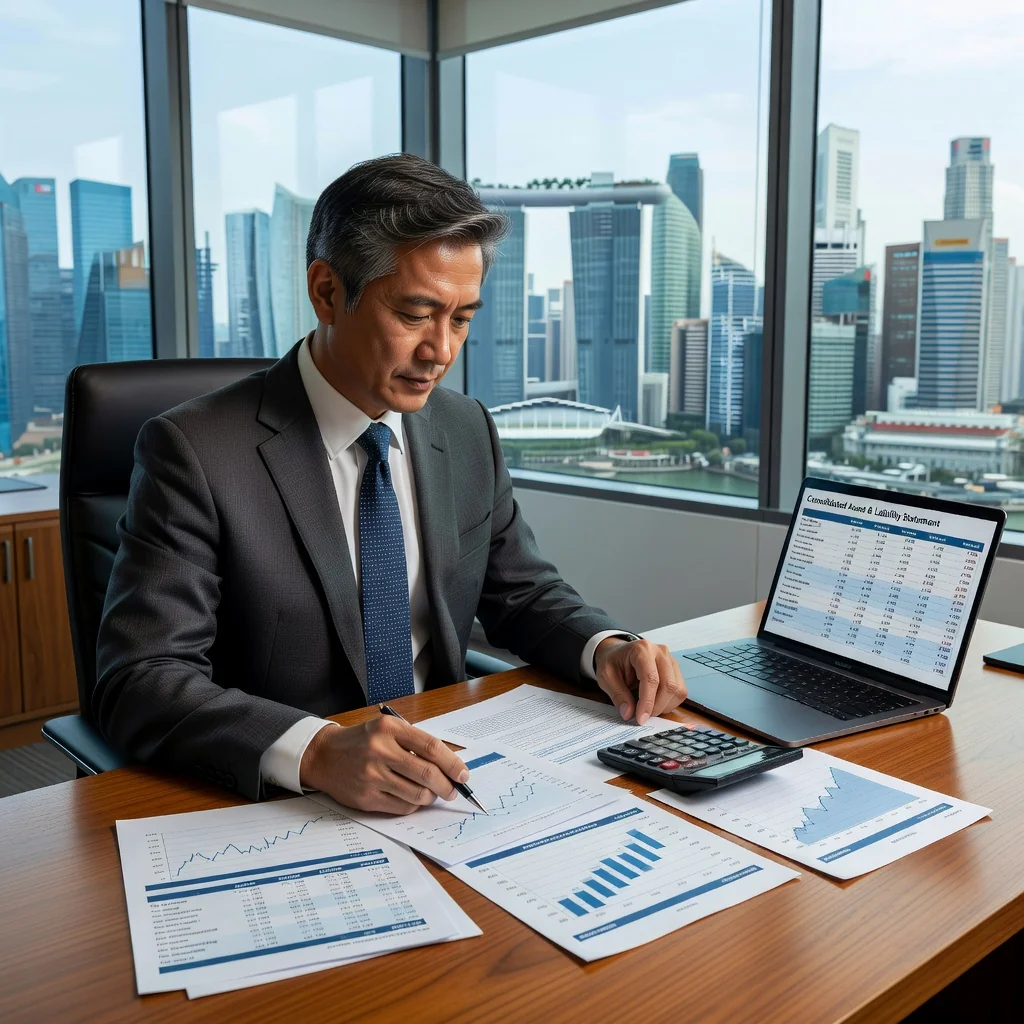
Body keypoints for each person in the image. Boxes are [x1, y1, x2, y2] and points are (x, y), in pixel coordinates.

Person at [95, 153, 686, 812]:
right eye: (415, 313)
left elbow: (522, 593)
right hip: (290, 802)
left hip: (450, 782)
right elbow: (140, 677)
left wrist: (605, 647)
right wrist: (315, 752)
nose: (441, 350)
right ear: (326, 291)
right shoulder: (196, 450)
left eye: (461, 317)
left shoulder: (465, 428)